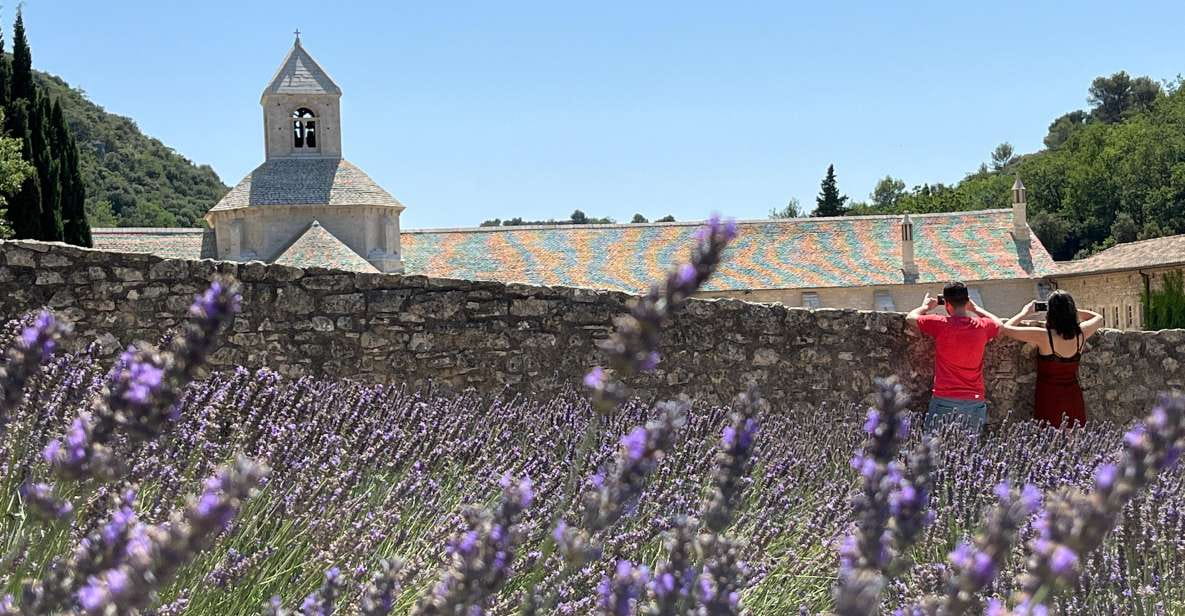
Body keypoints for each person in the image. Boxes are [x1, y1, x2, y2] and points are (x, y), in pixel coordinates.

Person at [906, 282, 1003, 433]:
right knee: (969, 451)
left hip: (945, 398)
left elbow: (910, 318)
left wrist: (926, 307)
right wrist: (976, 309)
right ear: (967, 301)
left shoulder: (940, 324)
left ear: (947, 304)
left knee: (933, 450)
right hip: (975, 400)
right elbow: (999, 324)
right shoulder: (983, 327)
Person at [1001, 290, 1103, 427]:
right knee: (1075, 441)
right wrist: (1069, 310)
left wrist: (1024, 313)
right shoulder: (1081, 333)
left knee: (1050, 441)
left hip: (1049, 397)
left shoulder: (1044, 336)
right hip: (1073, 396)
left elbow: (1005, 329)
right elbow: (1098, 317)